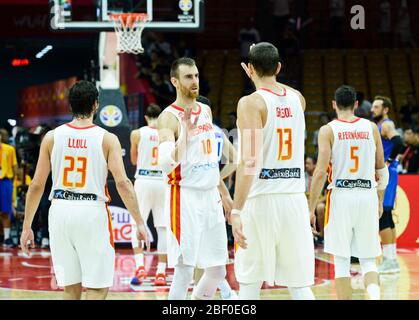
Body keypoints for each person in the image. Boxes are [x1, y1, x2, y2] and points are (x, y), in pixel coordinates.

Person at [20, 80, 149, 300]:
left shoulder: (51, 137)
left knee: (71, 288)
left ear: (70, 106)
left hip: (59, 211)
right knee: (97, 288)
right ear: (96, 105)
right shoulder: (108, 139)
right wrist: (139, 221)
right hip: (91, 212)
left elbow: (36, 185)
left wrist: (27, 226)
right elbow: (123, 183)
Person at [231, 42, 315, 300]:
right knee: (299, 285)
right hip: (294, 199)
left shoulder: (250, 103)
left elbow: (249, 161)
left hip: (262, 200)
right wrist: (267, 69)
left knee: (249, 282)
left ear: (250, 70)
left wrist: (236, 210)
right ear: (279, 67)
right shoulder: (298, 99)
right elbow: (284, 90)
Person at [157, 58, 233, 300]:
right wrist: (185, 137)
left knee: (217, 269)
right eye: (189, 77)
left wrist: (223, 192)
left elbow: (211, 159)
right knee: (184, 270)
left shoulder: (206, 110)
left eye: (197, 76)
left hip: (210, 195)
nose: (195, 81)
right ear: (174, 81)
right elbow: (165, 163)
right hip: (185, 196)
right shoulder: (168, 117)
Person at [309, 85, 387, 300]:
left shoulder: (328, 130)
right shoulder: (371, 128)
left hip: (341, 196)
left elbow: (320, 172)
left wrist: (310, 207)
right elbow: (381, 169)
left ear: (334, 104)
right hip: (367, 194)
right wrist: (379, 199)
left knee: (341, 261)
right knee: (368, 260)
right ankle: (374, 296)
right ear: (356, 104)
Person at [194, 95, 238, 300]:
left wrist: (214, 178)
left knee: (198, 252)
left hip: (200, 192)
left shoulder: (196, 132)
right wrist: (219, 177)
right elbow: (235, 161)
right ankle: (224, 292)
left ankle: (212, 293)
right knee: (212, 250)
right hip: (215, 193)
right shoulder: (218, 130)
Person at [129, 104, 168, 286]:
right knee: (162, 228)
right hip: (161, 181)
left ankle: (140, 266)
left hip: (143, 180)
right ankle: (160, 272)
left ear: (145, 117)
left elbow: (133, 160)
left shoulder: (137, 134)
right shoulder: (166, 133)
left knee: (137, 223)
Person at [371, 96, 404, 274]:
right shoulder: (380, 125)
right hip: (387, 174)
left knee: (382, 214)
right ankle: (390, 259)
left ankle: (389, 259)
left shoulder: (386, 125)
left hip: (386, 174)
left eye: (376, 107)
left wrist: (389, 161)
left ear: (385, 110)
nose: (372, 109)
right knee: (387, 215)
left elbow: (399, 142)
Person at [0, 128, 18, 247]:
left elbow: (15, 167)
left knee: (5, 210)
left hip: (5, 182)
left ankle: (7, 238)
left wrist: (13, 183)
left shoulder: (10, 149)